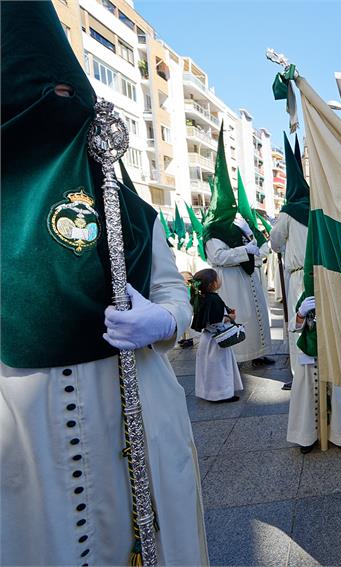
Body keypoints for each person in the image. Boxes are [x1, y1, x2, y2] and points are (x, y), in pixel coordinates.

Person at [0, 3, 208, 563]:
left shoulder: (132, 213)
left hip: (138, 417)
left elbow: (173, 298)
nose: (58, 110)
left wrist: (162, 319)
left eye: (68, 94)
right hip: (27, 447)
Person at [270, 135, 341, 451]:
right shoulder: (323, 210)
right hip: (321, 281)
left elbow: (276, 243)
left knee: (308, 343)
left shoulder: (288, 213)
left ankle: (322, 430)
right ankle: (329, 432)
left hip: (305, 280)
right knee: (317, 342)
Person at [203, 134, 275, 368]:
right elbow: (217, 257)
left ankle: (258, 353)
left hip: (248, 277)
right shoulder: (213, 229)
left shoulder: (236, 226)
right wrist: (245, 250)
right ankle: (238, 358)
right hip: (231, 281)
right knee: (241, 316)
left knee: (257, 316)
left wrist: (252, 245)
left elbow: (256, 244)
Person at [190, 269, 243, 403]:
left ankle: (210, 392)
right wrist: (229, 317)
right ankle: (221, 394)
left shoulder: (201, 297)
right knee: (219, 367)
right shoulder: (213, 298)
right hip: (217, 339)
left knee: (208, 368)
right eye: (217, 279)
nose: (220, 280)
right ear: (212, 284)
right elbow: (216, 321)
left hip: (206, 339)